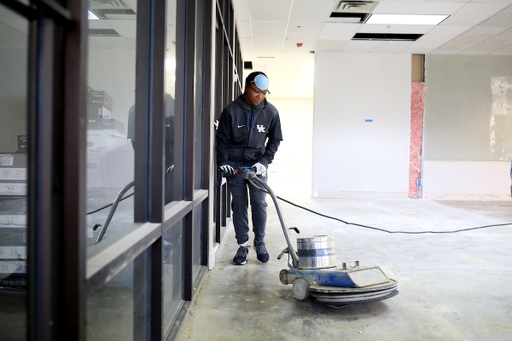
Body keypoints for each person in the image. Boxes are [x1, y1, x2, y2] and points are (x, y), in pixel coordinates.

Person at [216, 71, 283, 265]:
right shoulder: (230, 111)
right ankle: (243, 246)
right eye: (256, 91)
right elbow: (222, 141)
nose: (260, 96)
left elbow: (275, 139)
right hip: (235, 167)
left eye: (264, 92)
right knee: (239, 206)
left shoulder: (271, 112)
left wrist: (264, 162)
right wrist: (224, 162)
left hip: (257, 167)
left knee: (259, 204)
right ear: (247, 87)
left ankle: (259, 242)